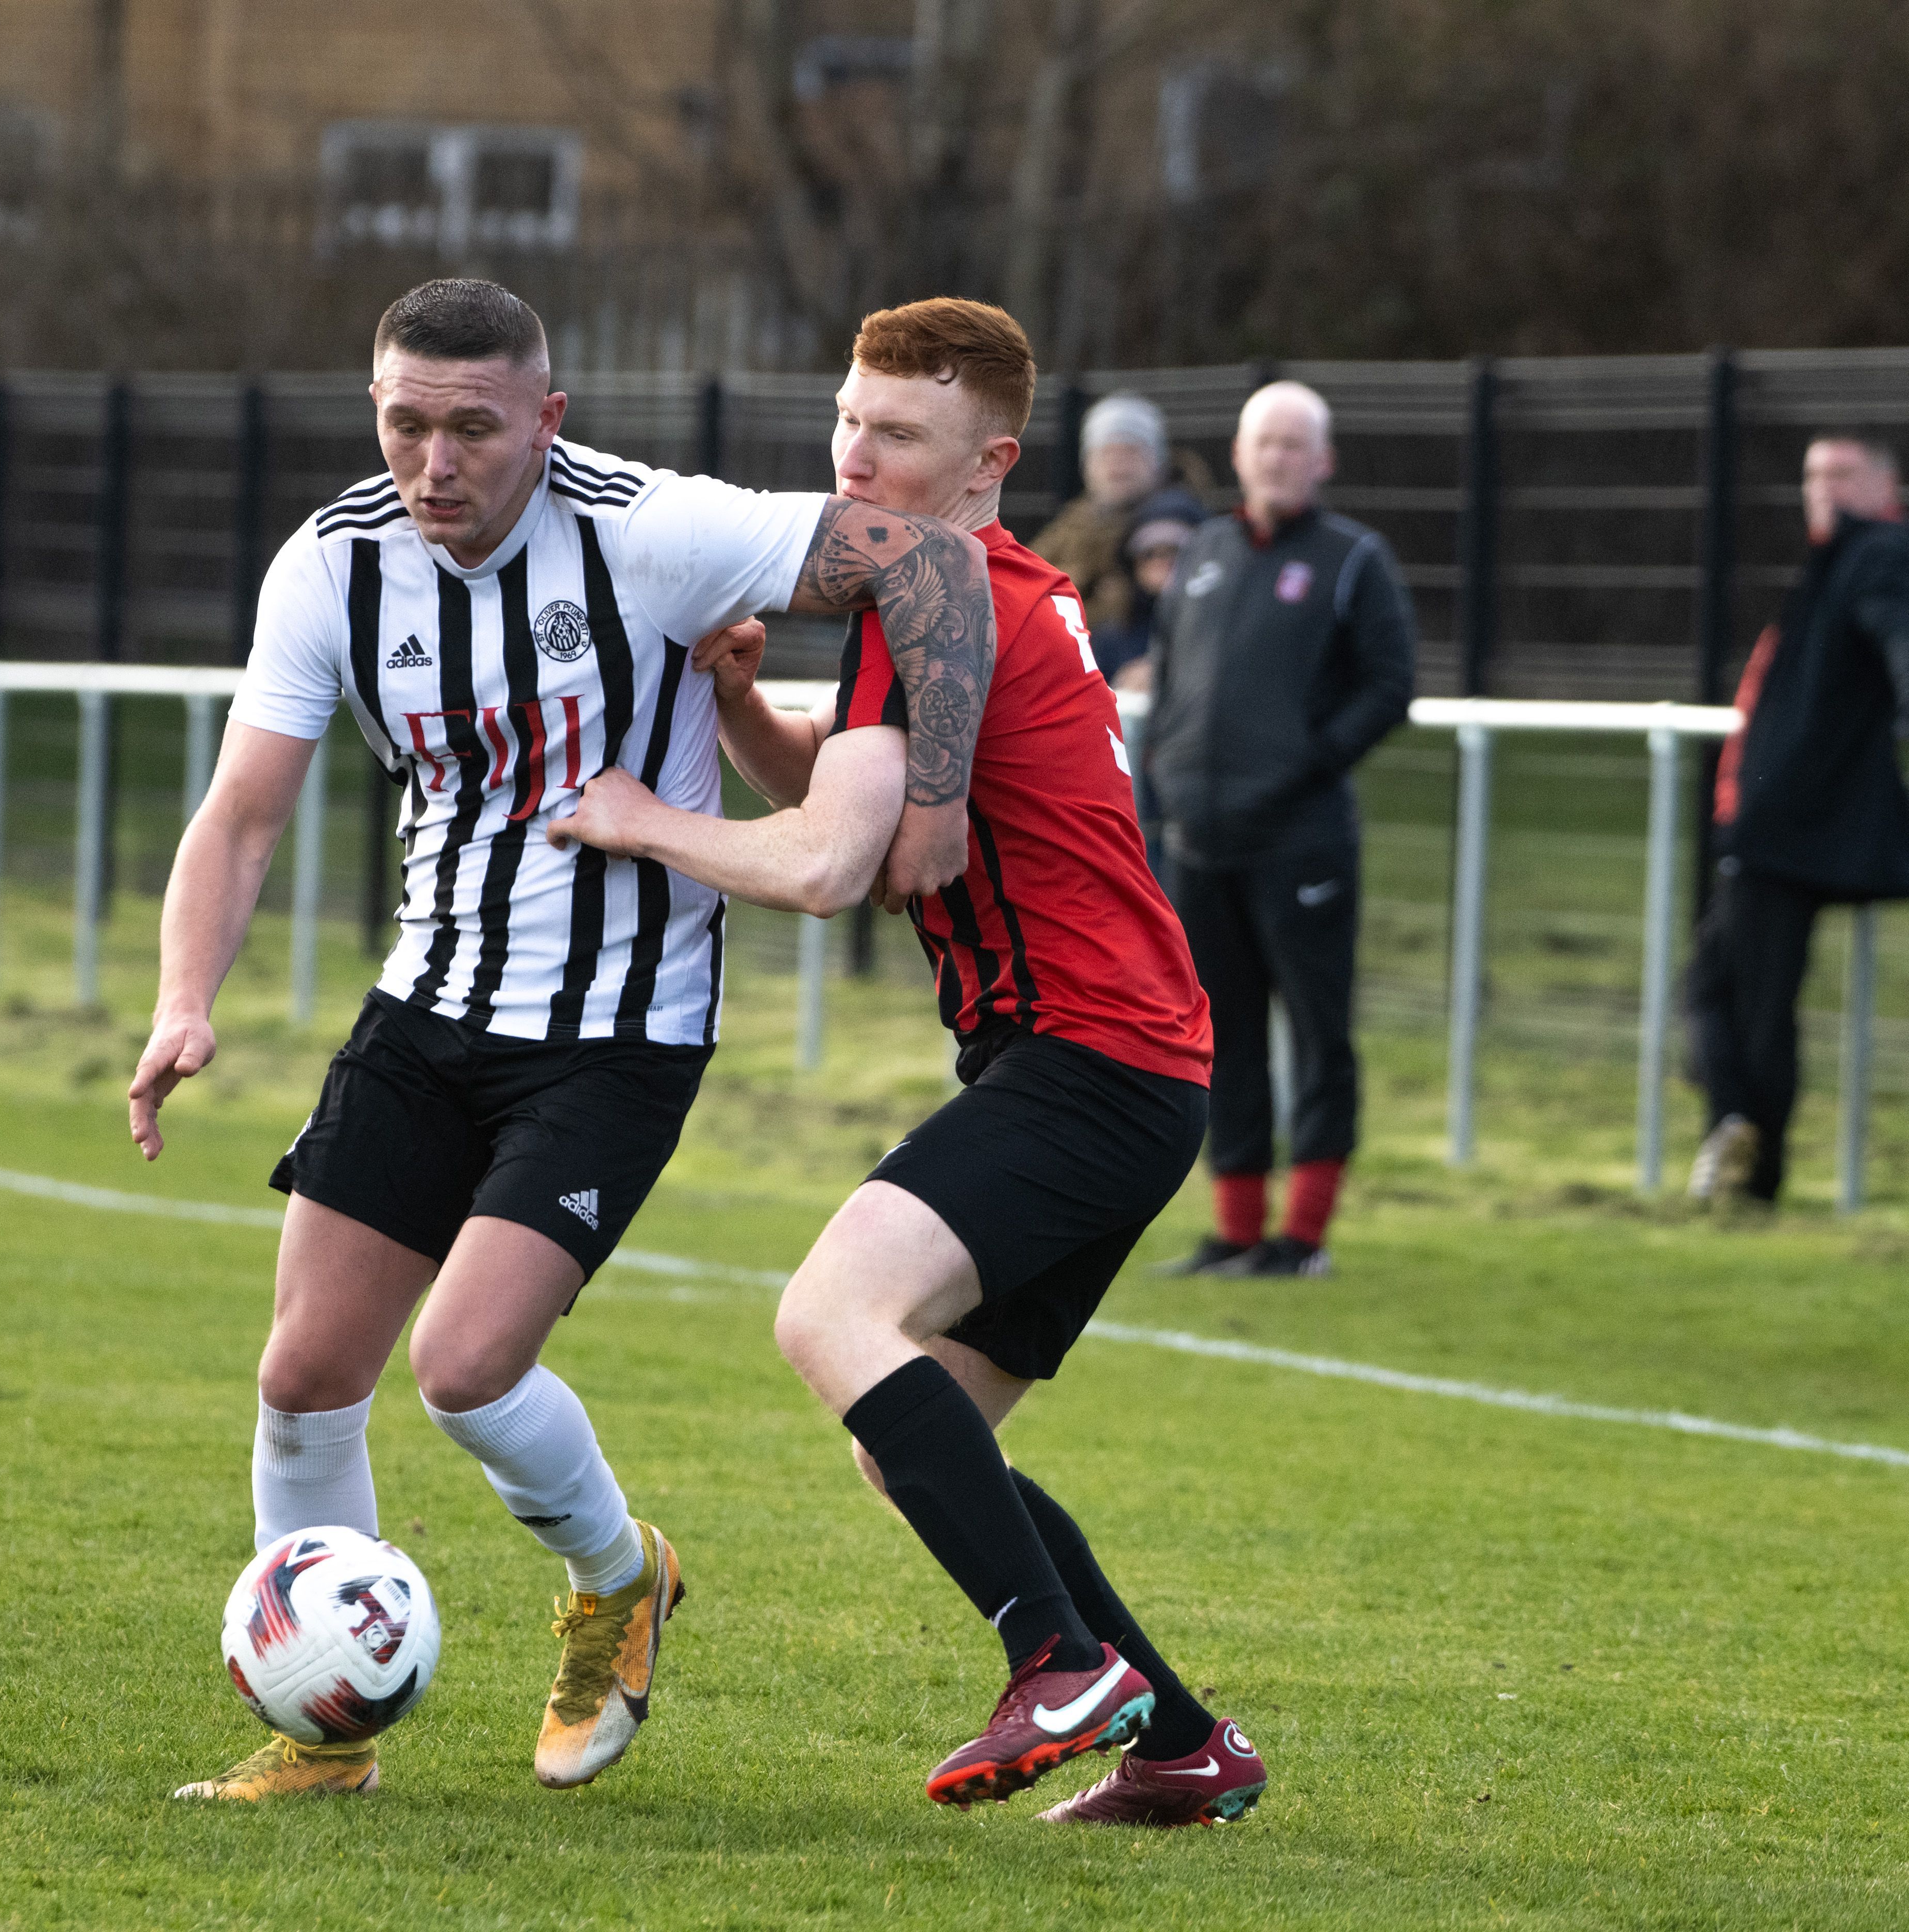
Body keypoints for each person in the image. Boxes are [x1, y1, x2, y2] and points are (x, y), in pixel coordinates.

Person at [127, 277, 996, 1802]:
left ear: (548, 417)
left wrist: (931, 802)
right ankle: (325, 1737)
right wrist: (184, 999)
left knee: (465, 1365)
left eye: (473, 426)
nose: (434, 461)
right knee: (306, 1372)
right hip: (424, 1005)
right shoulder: (330, 564)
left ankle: (618, 1575)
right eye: (404, 422)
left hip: (614, 1031)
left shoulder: (650, 529)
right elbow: (243, 812)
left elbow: (929, 559)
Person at [547, 297, 1268, 1828]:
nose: (854, 460)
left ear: (988, 461)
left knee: (829, 1314)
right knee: (919, 1436)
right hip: (1124, 1067)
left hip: (1090, 1060)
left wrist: (640, 818)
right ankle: (1180, 1744)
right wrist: (740, 707)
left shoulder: (941, 600)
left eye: (898, 435)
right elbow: (854, 799)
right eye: (846, 422)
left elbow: (829, 867)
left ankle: (1057, 1663)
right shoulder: (977, 593)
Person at [1143, 381, 1415, 1278]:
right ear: (1239, 453)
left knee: (1317, 1030)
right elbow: (1171, 679)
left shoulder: (1352, 560)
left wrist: (1307, 760)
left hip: (1301, 842)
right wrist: (1165, 780)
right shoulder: (1204, 552)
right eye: (1265, 442)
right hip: (1199, 841)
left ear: (1323, 460)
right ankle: (1236, 1230)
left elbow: (1390, 684)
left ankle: (1304, 1237)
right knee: (1220, 1035)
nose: (1278, 458)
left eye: (1296, 444)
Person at [1686, 432, 1909, 1209]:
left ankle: (1750, 1164)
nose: (1821, 488)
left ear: (1885, 487)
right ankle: (1738, 1136)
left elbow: (1899, 639)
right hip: (1775, 819)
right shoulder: (1836, 560)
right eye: (1812, 474)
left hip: (1795, 824)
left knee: (1743, 1001)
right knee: (1722, 991)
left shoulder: (1877, 554)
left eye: (1841, 474)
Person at [1027, 392, 1209, 672]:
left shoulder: (1176, 524)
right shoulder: (1069, 526)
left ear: (1157, 461)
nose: (1118, 466)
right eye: (1106, 453)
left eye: (1130, 452)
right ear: (1087, 465)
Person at [1085, 484, 1206, 692]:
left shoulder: (1219, 629)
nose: (1160, 562)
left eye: (1174, 551)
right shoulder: (1110, 638)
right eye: (1149, 553)